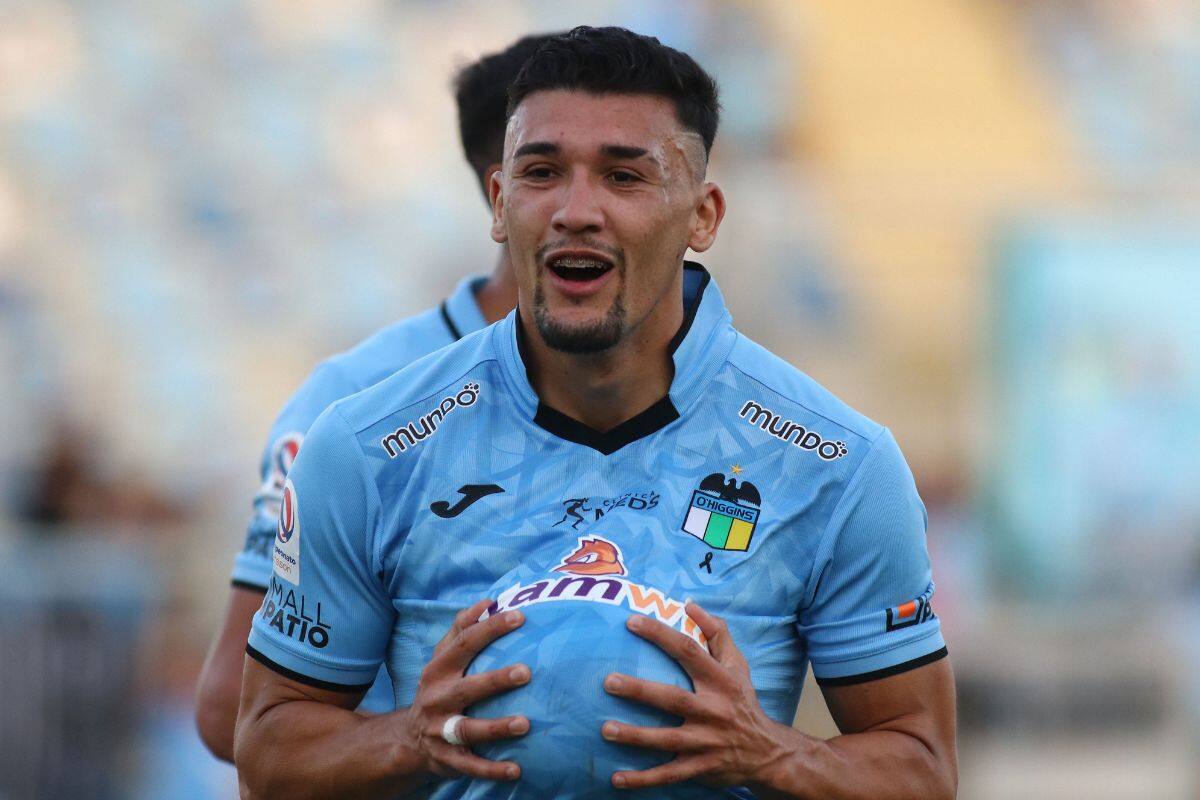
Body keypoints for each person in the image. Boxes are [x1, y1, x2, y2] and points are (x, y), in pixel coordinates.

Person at [235, 26, 957, 799]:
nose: (576, 211)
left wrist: (769, 754)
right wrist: (409, 736)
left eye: (623, 176)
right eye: (542, 172)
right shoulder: (368, 448)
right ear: (499, 202)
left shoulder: (835, 464)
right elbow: (267, 751)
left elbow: (921, 768)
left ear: (704, 216)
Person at [193, 33, 559, 763]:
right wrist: (421, 742)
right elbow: (232, 702)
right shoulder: (355, 401)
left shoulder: (716, 402)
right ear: (507, 186)